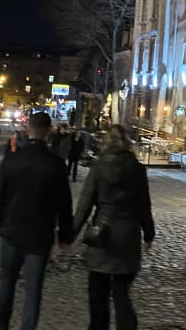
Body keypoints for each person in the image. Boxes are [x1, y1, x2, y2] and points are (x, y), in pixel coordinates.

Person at [0, 112, 74, 330]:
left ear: (28, 129)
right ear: (48, 132)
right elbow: (64, 205)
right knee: (33, 290)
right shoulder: (55, 164)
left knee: (7, 283)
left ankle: (0, 325)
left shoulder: (13, 159)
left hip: (12, 231)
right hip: (40, 235)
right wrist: (65, 236)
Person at [74, 124, 155, 330]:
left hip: (101, 235)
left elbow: (85, 204)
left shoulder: (98, 167)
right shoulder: (137, 169)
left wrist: (70, 233)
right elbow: (144, 205)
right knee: (121, 292)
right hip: (127, 236)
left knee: (97, 292)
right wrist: (149, 233)